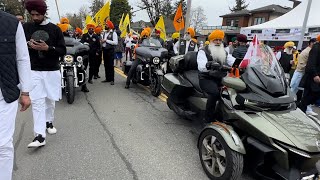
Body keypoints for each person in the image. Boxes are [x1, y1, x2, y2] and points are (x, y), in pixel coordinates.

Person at [24, 0, 66, 148]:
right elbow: (20, 50)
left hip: (51, 71)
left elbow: (62, 51)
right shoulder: (25, 27)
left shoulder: (55, 29)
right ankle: (39, 136)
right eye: (32, 14)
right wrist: (27, 46)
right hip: (33, 70)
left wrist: (48, 48)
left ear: (43, 13)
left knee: (50, 99)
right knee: (37, 101)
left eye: (37, 14)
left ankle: (49, 121)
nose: (34, 17)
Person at [0, 10, 32, 180]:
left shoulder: (12, 23)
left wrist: (25, 92)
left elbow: (22, 58)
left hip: (5, 93)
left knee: (3, 145)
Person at [197, 29, 228, 122]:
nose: (218, 42)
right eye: (216, 40)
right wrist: (209, 64)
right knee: (214, 93)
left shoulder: (225, 52)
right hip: (206, 78)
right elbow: (201, 67)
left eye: (220, 40)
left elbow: (232, 61)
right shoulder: (203, 51)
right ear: (211, 40)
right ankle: (208, 119)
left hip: (221, 78)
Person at [58, 23, 90, 92]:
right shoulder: (58, 39)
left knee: (82, 67)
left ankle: (84, 85)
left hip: (72, 56)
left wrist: (84, 46)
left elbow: (79, 44)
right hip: (62, 57)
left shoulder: (74, 39)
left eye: (68, 31)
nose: (68, 32)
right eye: (66, 31)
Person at [290, 38, 317, 116]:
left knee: (296, 89)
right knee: (295, 89)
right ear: (311, 43)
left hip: (300, 72)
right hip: (301, 72)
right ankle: (289, 103)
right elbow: (307, 64)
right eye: (314, 43)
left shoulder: (308, 50)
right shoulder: (309, 51)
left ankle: (306, 108)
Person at [298, 36, 320, 114]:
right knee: (308, 96)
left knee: (313, 96)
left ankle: (302, 109)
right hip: (313, 78)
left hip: (316, 77)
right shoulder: (316, 48)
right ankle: (300, 111)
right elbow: (311, 63)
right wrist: (315, 75)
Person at [101, 20, 118, 85]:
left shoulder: (113, 33)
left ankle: (112, 79)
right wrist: (102, 42)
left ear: (110, 26)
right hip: (105, 50)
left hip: (110, 51)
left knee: (111, 65)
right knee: (106, 65)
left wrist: (106, 40)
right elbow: (104, 41)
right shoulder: (104, 33)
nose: (105, 25)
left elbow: (115, 42)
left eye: (107, 25)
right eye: (105, 24)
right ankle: (107, 78)